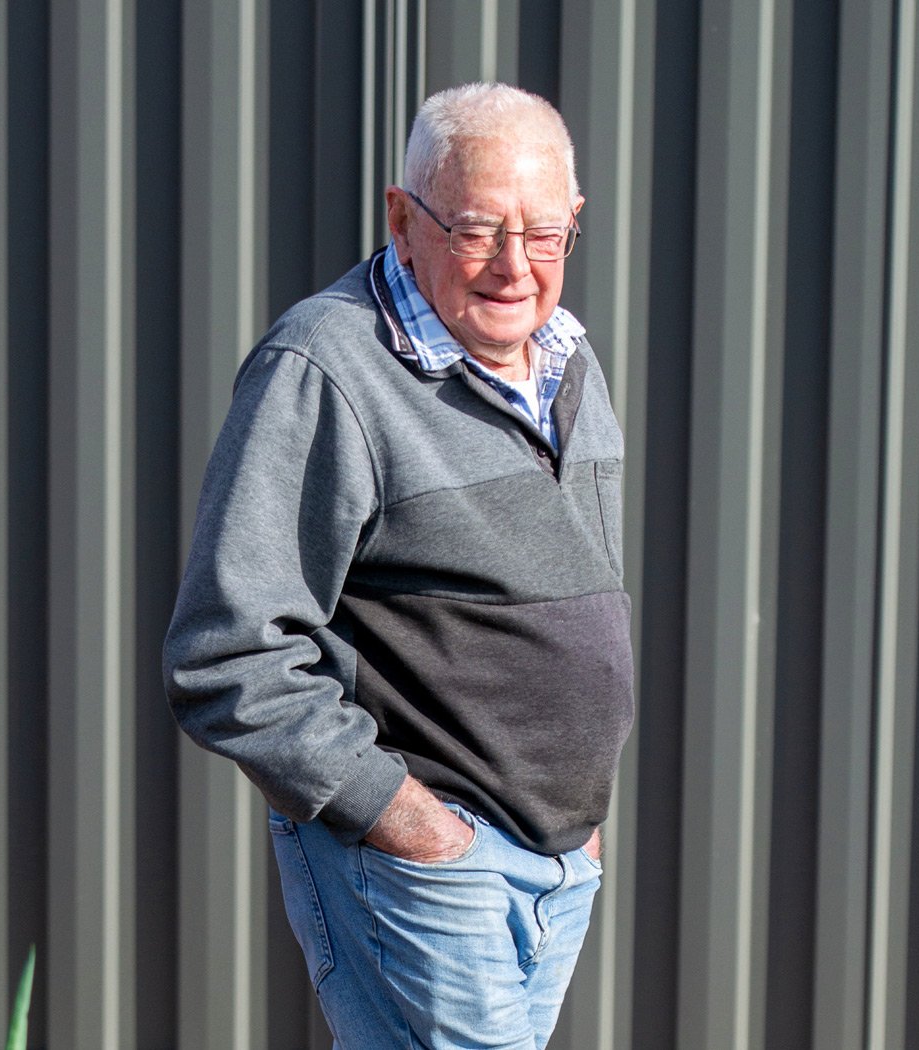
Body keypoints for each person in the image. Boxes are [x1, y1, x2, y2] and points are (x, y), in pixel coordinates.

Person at [164, 82, 633, 1050]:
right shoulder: (326, 366)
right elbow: (228, 652)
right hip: (430, 858)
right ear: (401, 219)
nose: (514, 267)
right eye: (476, 230)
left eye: (543, 234)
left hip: (554, 858)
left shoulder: (563, 359)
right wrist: (407, 824)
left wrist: (578, 821)